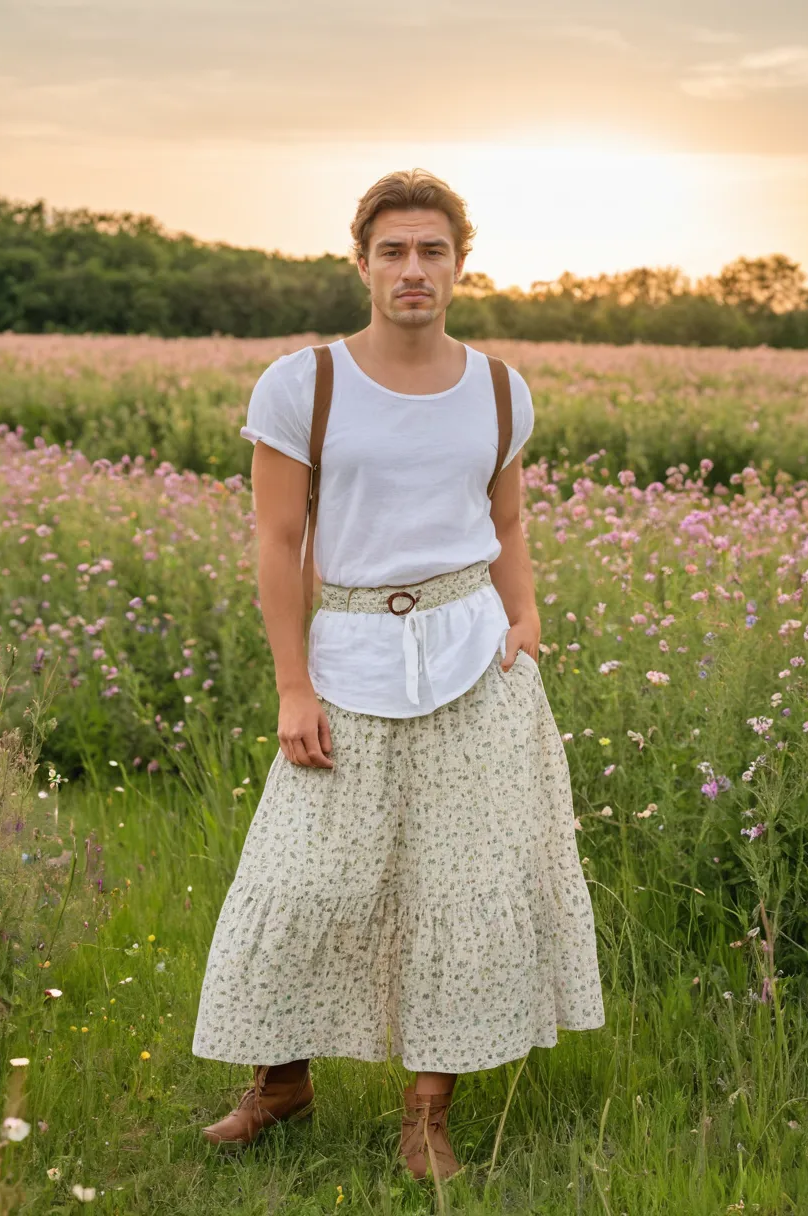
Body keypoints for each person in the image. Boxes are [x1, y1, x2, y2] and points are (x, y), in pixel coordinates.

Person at [192, 168, 605, 1184]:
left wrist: (527, 615)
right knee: (302, 880)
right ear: (362, 262)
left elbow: (505, 523)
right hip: (347, 659)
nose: (412, 269)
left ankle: (427, 1113)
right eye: (394, 251)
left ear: (460, 265)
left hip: (476, 664)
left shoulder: (501, 388)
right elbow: (277, 540)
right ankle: (280, 1082)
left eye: (431, 251)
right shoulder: (305, 383)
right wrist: (293, 685)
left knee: (459, 888)